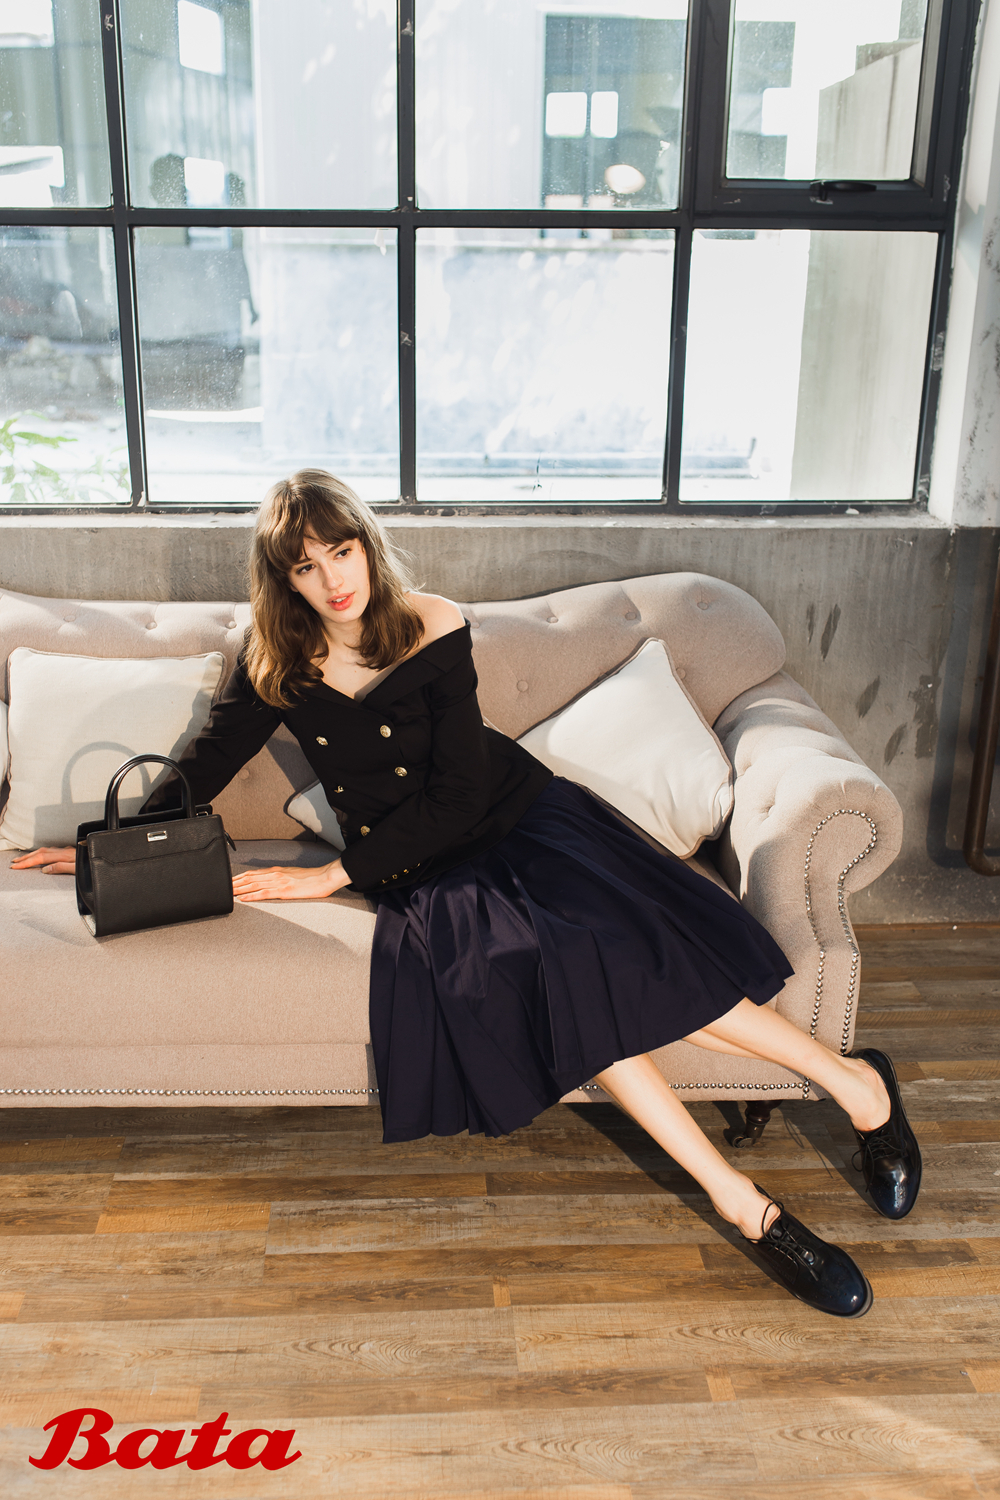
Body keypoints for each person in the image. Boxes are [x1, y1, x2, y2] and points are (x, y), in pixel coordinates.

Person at [13, 470, 921, 1318]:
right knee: (573, 985)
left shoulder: (431, 623)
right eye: (306, 566)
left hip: (513, 819)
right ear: (283, 579)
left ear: (365, 544)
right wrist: (108, 850)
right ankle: (757, 1194)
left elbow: (453, 795)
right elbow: (208, 760)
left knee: (611, 966)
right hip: (421, 869)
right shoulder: (276, 658)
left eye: (341, 552)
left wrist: (330, 876)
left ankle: (844, 1101)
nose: (333, 580)